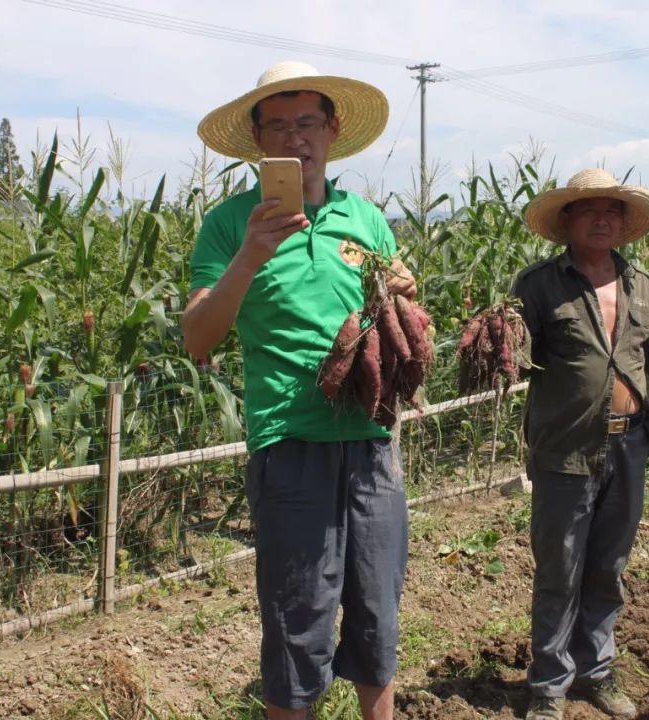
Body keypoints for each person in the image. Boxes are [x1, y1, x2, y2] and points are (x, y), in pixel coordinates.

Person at [182, 61, 415, 720]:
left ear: (331, 131)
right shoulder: (230, 225)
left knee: (378, 614)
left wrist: (401, 297)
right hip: (289, 445)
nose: (295, 137)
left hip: (372, 443)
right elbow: (198, 338)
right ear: (259, 142)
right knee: (298, 622)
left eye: (307, 122)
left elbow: (394, 299)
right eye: (277, 125)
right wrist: (250, 257)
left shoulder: (364, 218)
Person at [514, 168, 649, 720]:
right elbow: (514, 357)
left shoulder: (642, 285)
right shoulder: (538, 285)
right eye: (589, 209)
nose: (602, 218)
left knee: (609, 565)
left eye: (612, 210)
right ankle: (548, 686)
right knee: (559, 567)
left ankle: (597, 672)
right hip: (565, 447)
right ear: (567, 221)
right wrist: (494, 337)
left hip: (628, 444)